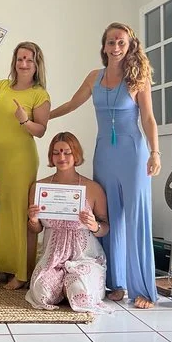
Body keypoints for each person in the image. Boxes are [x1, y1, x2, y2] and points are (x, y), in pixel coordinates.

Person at [49, 22, 161, 309]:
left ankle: (143, 290)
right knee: (110, 216)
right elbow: (72, 104)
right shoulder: (94, 77)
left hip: (132, 153)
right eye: (111, 42)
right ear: (104, 46)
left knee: (135, 218)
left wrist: (155, 152)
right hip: (105, 154)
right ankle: (116, 283)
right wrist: (43, 118)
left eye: (121, 42)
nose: (116, 47)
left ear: (130, 45)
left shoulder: (138, 79)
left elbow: (148, 119)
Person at [0, 42, 50, 289]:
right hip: (0, 158)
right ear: (14, 62)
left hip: (21, 160)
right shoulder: (4, 86)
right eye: (20, 59)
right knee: (1, 211)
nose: (24, 63)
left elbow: (40, 130)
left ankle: (22, 272)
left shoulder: (39, 94)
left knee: (19, 213)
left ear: (36, 64)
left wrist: (24, 121)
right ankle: (5, 265)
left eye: (29, 59)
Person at [25, 132, 111, 313]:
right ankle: (62, 287)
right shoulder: (39, 187)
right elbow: (35, 229)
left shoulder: (93, 188)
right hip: (52, 256)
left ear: (76, 154)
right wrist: (33, 220)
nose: (61, 157)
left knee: (81, 293)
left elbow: (105, 227)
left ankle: (70, 287)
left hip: (84, 256)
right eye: (56, 152)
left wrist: (94, 225)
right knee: (41, 294)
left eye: (67, 152)